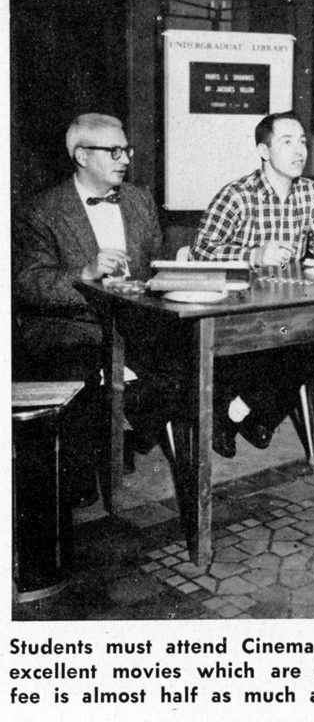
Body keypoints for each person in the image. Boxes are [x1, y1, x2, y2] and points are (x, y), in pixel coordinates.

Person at [13, 113, 172, 506]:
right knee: (77, 372)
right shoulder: (41, 211)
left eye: (127, 150)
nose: (125, 160)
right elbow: (27, 282)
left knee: (179, 366)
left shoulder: (139, 201)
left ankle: (128, 439)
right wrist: (84, 273)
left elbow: (154, 266)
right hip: (71, 327)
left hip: (134, 323)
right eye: (114, 151)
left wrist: (173, 266)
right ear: (82, 156)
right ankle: (81, 471)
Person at [190, 110, 314, 458]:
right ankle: (249, 415)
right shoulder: (237, 194)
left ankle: (240, 412)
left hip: (289, 309)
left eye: (303, 142)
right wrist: (253, 254)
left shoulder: (309, 192)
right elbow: (200, 251)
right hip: (239, 312)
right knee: (274, 354)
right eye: (287, 142)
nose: (300, 151)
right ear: (264, 151)